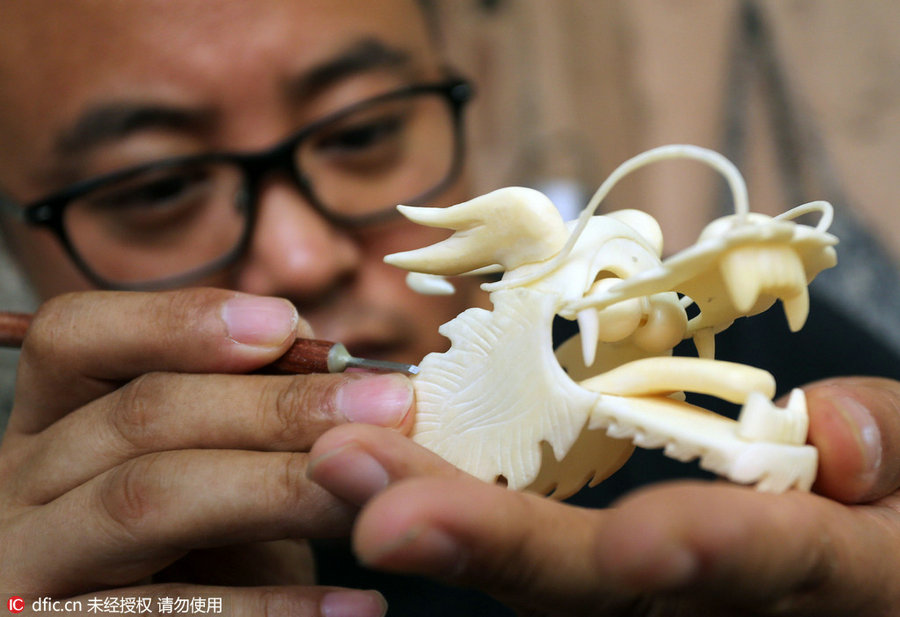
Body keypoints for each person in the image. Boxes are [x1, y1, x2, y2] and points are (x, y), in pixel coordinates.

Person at [1, 1, 900, 616]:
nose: (300, 257)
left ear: (471, 87)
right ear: (12, 238)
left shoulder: (782, 359)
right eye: (156, 186)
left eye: (362, 132)